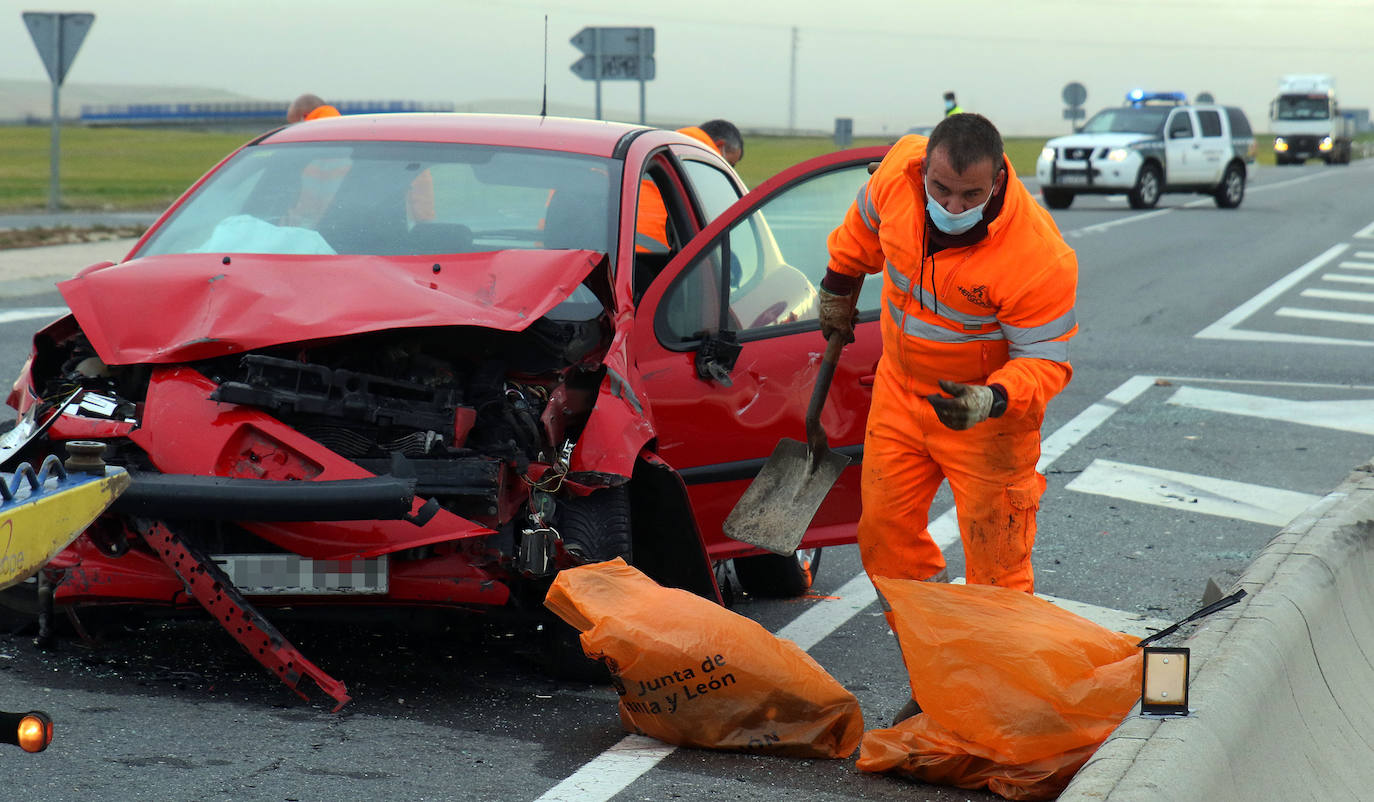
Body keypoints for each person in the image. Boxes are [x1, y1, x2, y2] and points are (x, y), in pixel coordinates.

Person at [822, 112, 1076, 723]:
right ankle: (937, 679)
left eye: (970, 194)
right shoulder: (896, 177)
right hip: (902, 397)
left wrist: (990, 398)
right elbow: (861, 227)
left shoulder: (1038, 258)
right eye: (941, 188)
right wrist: (839, 282)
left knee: (997, 573)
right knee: (885, 543)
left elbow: (1046, 363)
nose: (952, 203)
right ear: (924, 169)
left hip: (989, 422)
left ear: (998, 182)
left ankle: (990, 704)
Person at [636, 119, 745, 254]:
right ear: (720, 145)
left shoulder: (662, 146)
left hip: (617, 248)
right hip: (657, 253)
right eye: (730, 164)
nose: (730, 168)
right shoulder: (704, 161)